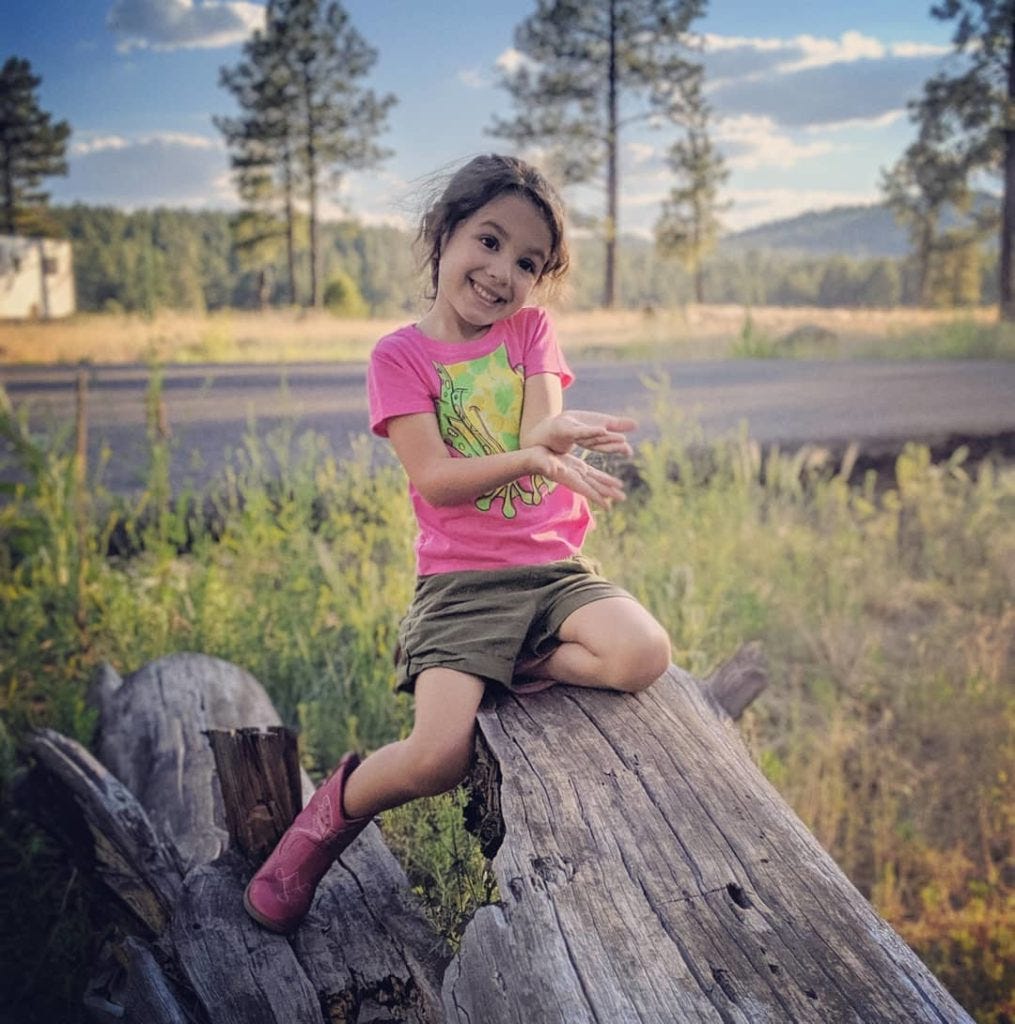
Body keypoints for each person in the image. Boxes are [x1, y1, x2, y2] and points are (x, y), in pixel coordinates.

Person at [244, 153, 672, 933]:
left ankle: (512, 660)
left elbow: (541, 423)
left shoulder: (531, 330)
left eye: (527, 261)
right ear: (442, 233)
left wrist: (556, 436)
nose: (502, 271)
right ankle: (319, 827)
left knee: (643, 654)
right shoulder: (398, 356)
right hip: (463, 586)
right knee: (436, 756)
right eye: (487, 240)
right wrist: (536, 457)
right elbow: (438, 480)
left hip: (551, 571)